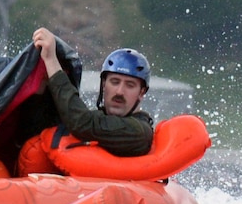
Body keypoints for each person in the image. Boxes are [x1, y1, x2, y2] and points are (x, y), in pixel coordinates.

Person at [21, 32, 154, 170]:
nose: (120, 91)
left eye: (130, 85)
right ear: (104, 85)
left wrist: (51, 60)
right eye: (114, 82)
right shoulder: (97, 118)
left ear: (141, 92)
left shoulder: (138, 132)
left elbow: (82, 123)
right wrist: (40, 89)